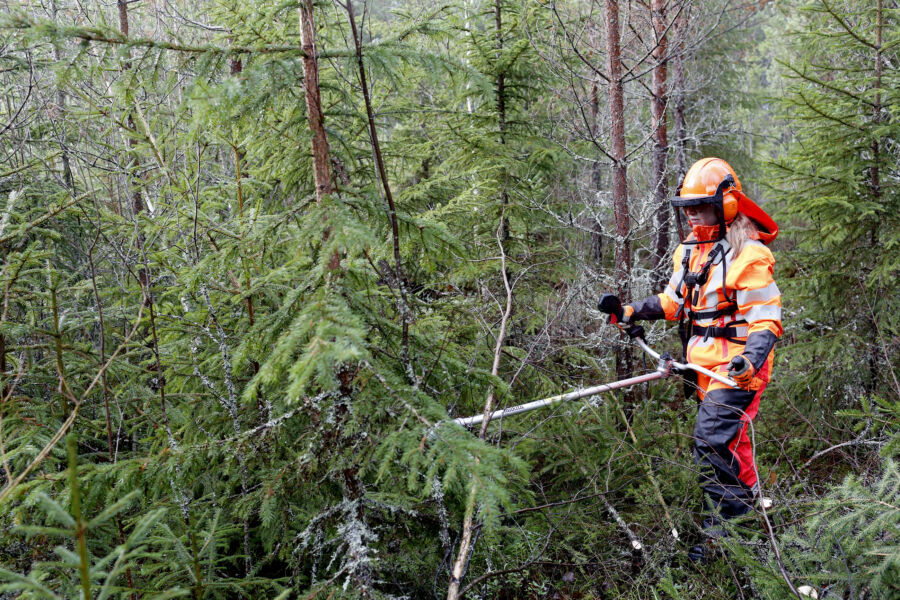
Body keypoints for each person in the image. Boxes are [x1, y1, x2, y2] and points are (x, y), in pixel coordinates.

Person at [601, 157, 782, 562]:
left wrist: (749, 361)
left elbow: (766, 319)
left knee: (711, 439)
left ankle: (733, 537)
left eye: (700, 205)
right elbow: (671, 302)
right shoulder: (692, 253)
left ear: (727, 204)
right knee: (730, 443)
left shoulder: (748, 254)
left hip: (738, 369)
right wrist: (629, 311)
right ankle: (748, 508)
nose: (692, 213)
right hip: (703, 367)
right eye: (688, 206)